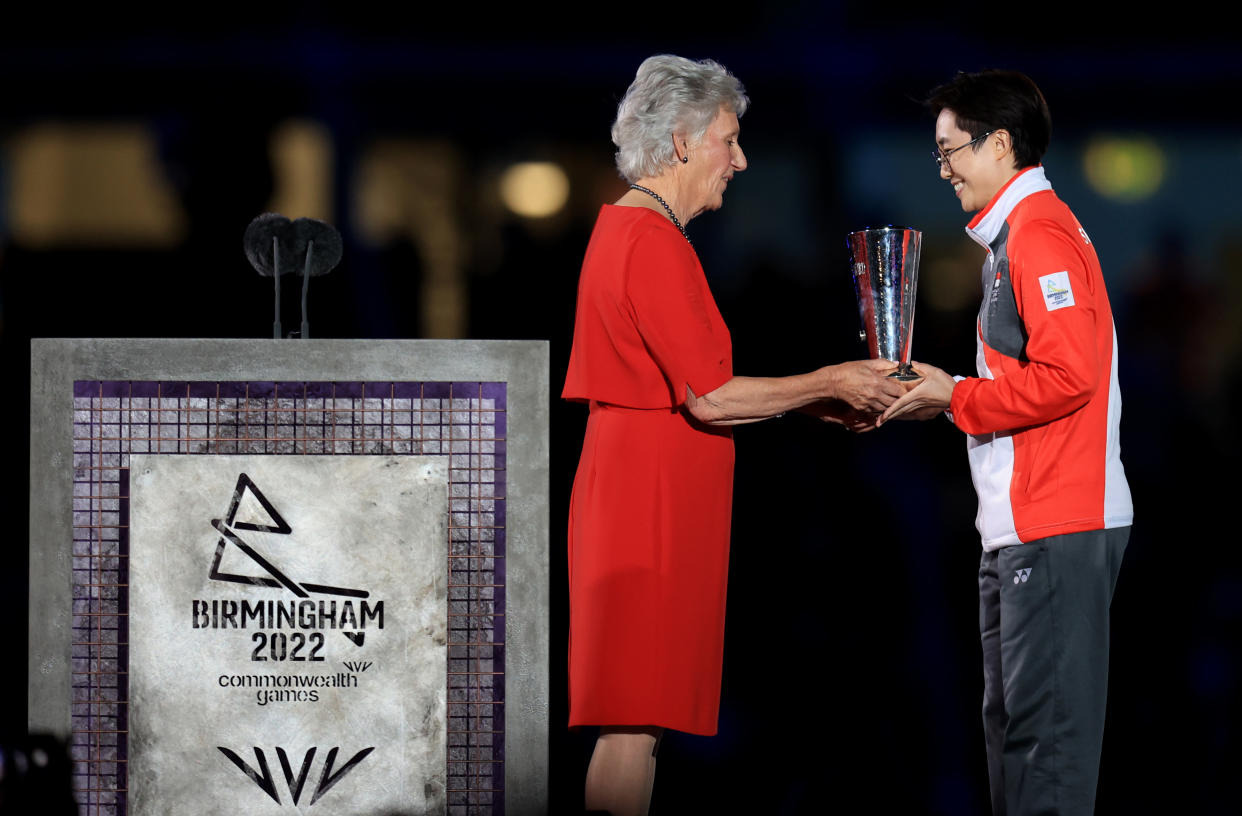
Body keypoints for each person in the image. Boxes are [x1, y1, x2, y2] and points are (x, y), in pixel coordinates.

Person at [562, 55, 906, 816]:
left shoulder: (637, 229)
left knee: (638, 725)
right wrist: (829, 380)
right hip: (643, 505)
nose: (740, 159)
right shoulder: (648, 238)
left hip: (642, 492)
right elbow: (710, 398)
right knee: (630, 726)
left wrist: (809, 404)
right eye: (729, 139)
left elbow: (697, 388)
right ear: (681, 141)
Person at [879, 70, 1134, 815]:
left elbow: (1069, 377)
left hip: (1057, 520)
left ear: (999, 144)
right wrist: (948, 394)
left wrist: (954, 396)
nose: (944, 167)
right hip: (1028, 527)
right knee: (1018, 748)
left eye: (949, 150)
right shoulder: (1016, 237)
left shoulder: (1040, 234)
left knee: (1043, 758)